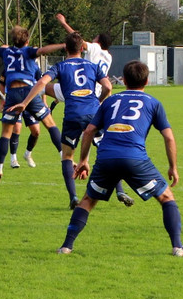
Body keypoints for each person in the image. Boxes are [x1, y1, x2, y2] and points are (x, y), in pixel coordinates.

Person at [58, 60, 183, 257]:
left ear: (123, 80)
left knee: (88, 200)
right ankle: (178, 247)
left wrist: (83, 161)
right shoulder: (153, 103)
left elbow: (88, 131)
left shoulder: (109, 101)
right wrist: (173, 166)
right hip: (135, 159)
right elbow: (168, 137)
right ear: (147, 80)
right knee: (166, 197)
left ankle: (66, 247)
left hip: (106, 158)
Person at [11, 32, 112, 208]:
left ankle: (73, 197)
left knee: (67, 156)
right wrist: (99, 101)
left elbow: (42, 82)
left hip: (73, 113)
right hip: (93, 112)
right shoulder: (92, 65)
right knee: (105, 150)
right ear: (82, 48)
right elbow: (108, 86)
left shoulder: (60, 65)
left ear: (66, 48)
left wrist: (25, 103)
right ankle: (118, 191)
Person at [54, 13, 134, 206]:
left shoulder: (94, 48)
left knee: (48, 88)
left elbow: (76, 40)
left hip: (79, 91)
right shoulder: (108, 55)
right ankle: (119, 189)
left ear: (98, 40)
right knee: (105, 146)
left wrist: (64, 23)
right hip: (96, 99)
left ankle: (39, 104)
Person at [0, 26, 64, 185]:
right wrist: (63, 45)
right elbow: (43, 50)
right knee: (50, 124)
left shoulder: (6, 52)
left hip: (12, 94)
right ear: (28, 41)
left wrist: (3, 49)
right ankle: (65, 156)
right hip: (29, 92)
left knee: (5, 134)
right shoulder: (29, 52)